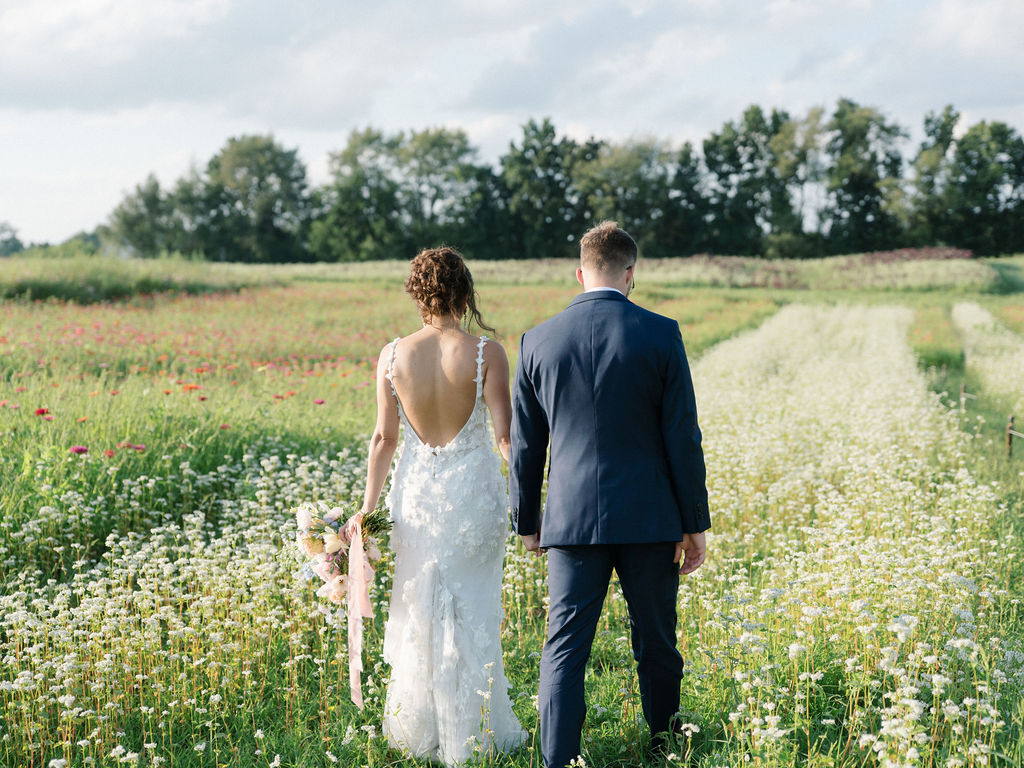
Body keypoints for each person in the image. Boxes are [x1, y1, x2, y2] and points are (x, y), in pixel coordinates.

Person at [510, 221, 710, 768]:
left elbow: (527, 445)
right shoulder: (661, 332)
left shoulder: (537, 340)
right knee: (657, 642)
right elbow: (683, 436)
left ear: (579, 273)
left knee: (565, 646)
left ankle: (558, 759)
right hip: (651, 517)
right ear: (631, 275)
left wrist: (527, 521)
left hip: (571, 520)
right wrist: (695, 522)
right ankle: (665, 747)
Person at [357, 246, 526, 766]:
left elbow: (384, 439)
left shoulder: (392, 356)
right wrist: (530, 498)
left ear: (416, 292)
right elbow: (505, 438)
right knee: (472, 605)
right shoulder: (485, 353)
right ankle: (475, 733)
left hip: (417, 498)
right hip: (472, 497)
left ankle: (417, 732)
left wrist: (366, 509)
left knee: (418, 605)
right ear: (465, 291)